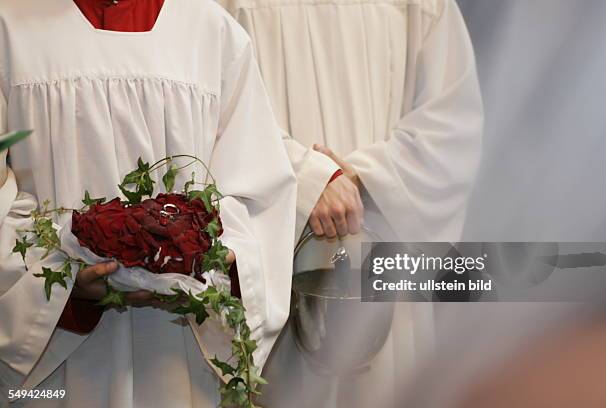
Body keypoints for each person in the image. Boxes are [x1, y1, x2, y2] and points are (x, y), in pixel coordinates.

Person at [0, 0, 296, 407]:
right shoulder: (9, 26)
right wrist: (62, 284)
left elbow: (259, 192)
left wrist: (214, 257)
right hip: (59, 360)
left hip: (178, 350)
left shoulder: (212, 32)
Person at [219, 0, 483, 406]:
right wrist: (307, 176)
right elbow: (213, 105)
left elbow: (451, 124)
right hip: (276, 261)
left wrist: (360, 177)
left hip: (382, 255)